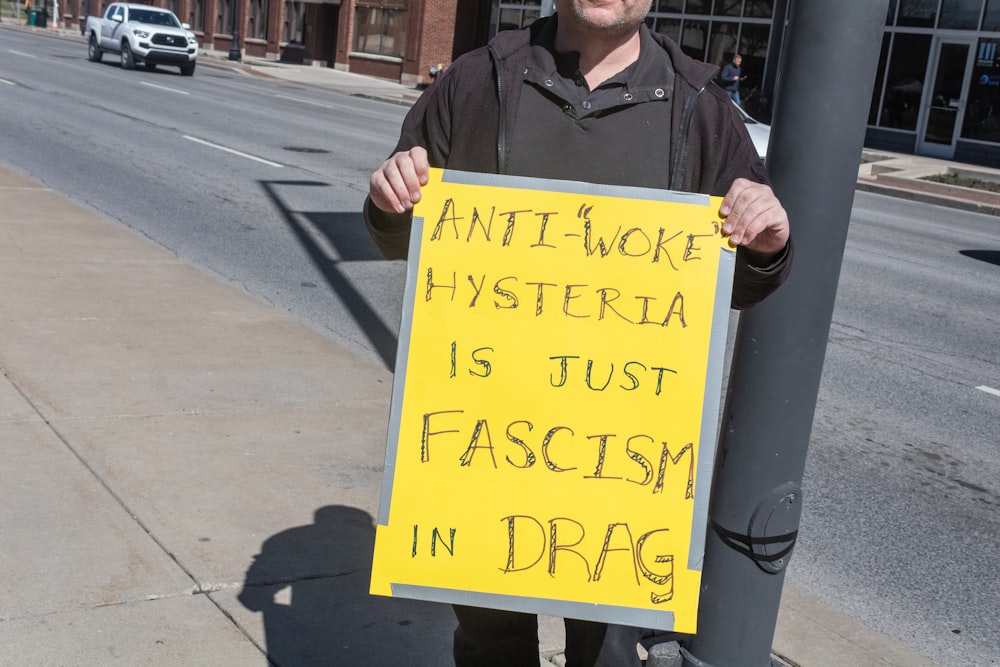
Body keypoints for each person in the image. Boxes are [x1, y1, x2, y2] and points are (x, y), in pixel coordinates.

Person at [364, 1, 792, 664]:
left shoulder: (701, 109)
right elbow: (406, 238)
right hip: (485, 439)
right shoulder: (478, 82)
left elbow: (737, 284)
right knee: (489, 642)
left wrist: (765, 245)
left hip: (627, 464)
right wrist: (390, 202)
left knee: (611, 652)